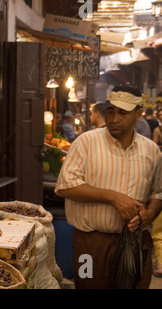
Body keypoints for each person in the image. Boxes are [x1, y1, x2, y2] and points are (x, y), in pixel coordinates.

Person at [55, 84, 162, 289]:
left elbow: (158, 192)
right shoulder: (86, 142)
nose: (114, 119)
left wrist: (149, 213)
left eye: (123, 113)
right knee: (87, 285)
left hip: (136, 242)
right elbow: (66, 186)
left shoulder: (151, 151)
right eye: (111, 112)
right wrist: (113, 197)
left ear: (139, 114)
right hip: (90, 244)